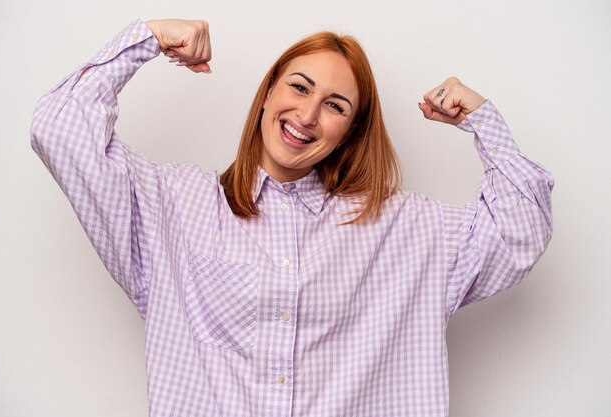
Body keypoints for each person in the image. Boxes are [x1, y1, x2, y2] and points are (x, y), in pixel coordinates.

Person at [31, 18, 554, 417]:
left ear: (350, 130)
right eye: (299, 87)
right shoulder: (171, 205)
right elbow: (57, 129)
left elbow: (520, 231)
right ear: (267, 95)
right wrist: (147, 37)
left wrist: (483, 121)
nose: (306, 116)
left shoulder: (406, 229)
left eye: (335, 105)